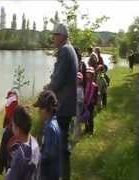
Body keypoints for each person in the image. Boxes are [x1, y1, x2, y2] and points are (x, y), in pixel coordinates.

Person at [43, 23, 77, 180]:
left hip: (63, 105)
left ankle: (62, 176)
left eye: (55, 35)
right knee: (63, 145)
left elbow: (58, 79)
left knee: (61, 146)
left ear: (62, 36)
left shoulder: (64, 51)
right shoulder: (69, 49)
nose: (53, 38)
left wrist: (47, 89)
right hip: (67, 104)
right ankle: (64, 175)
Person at [6, 105, 40, 180]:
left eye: (12, 125)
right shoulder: (35, 142)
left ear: (17, 129)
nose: (11, 127)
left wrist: (8, 173)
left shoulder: (20, 155)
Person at [33, 90, 62, 180]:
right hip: (55, 170)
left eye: (40, 108)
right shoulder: (54, 122)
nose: (38, 111)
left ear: (47, 108)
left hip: (49, 173)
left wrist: (34, 158)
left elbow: (48, 155)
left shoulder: (50, 128)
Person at [0, 89, 19, 175]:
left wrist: (1, 164)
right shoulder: (22, 120)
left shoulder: (9, 128)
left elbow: (3, 147)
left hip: (10, 162)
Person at [84, 67, 98, 135]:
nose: (87, 74)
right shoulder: (86, 83)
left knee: (90, 117)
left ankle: (91, 131)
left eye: (89, 73)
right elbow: (85, 93)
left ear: (92, 74)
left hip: (90, 104)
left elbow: (91, 95)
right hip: (86, 102)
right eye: (87, 73)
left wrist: (87, 103)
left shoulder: (93, 85)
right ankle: (86, 129)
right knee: (86, 117)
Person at [74, 72, 84, 141]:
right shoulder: (74, 88)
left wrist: (76, 99)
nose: (77, 80)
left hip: (78, 107)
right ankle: (76, 135)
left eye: (79, 79)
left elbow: (82, 100)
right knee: (75, 122)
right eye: (77, 79)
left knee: (77, 122)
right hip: (74, 107)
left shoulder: (80, 89)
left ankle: (77, 137)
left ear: (81, 80)